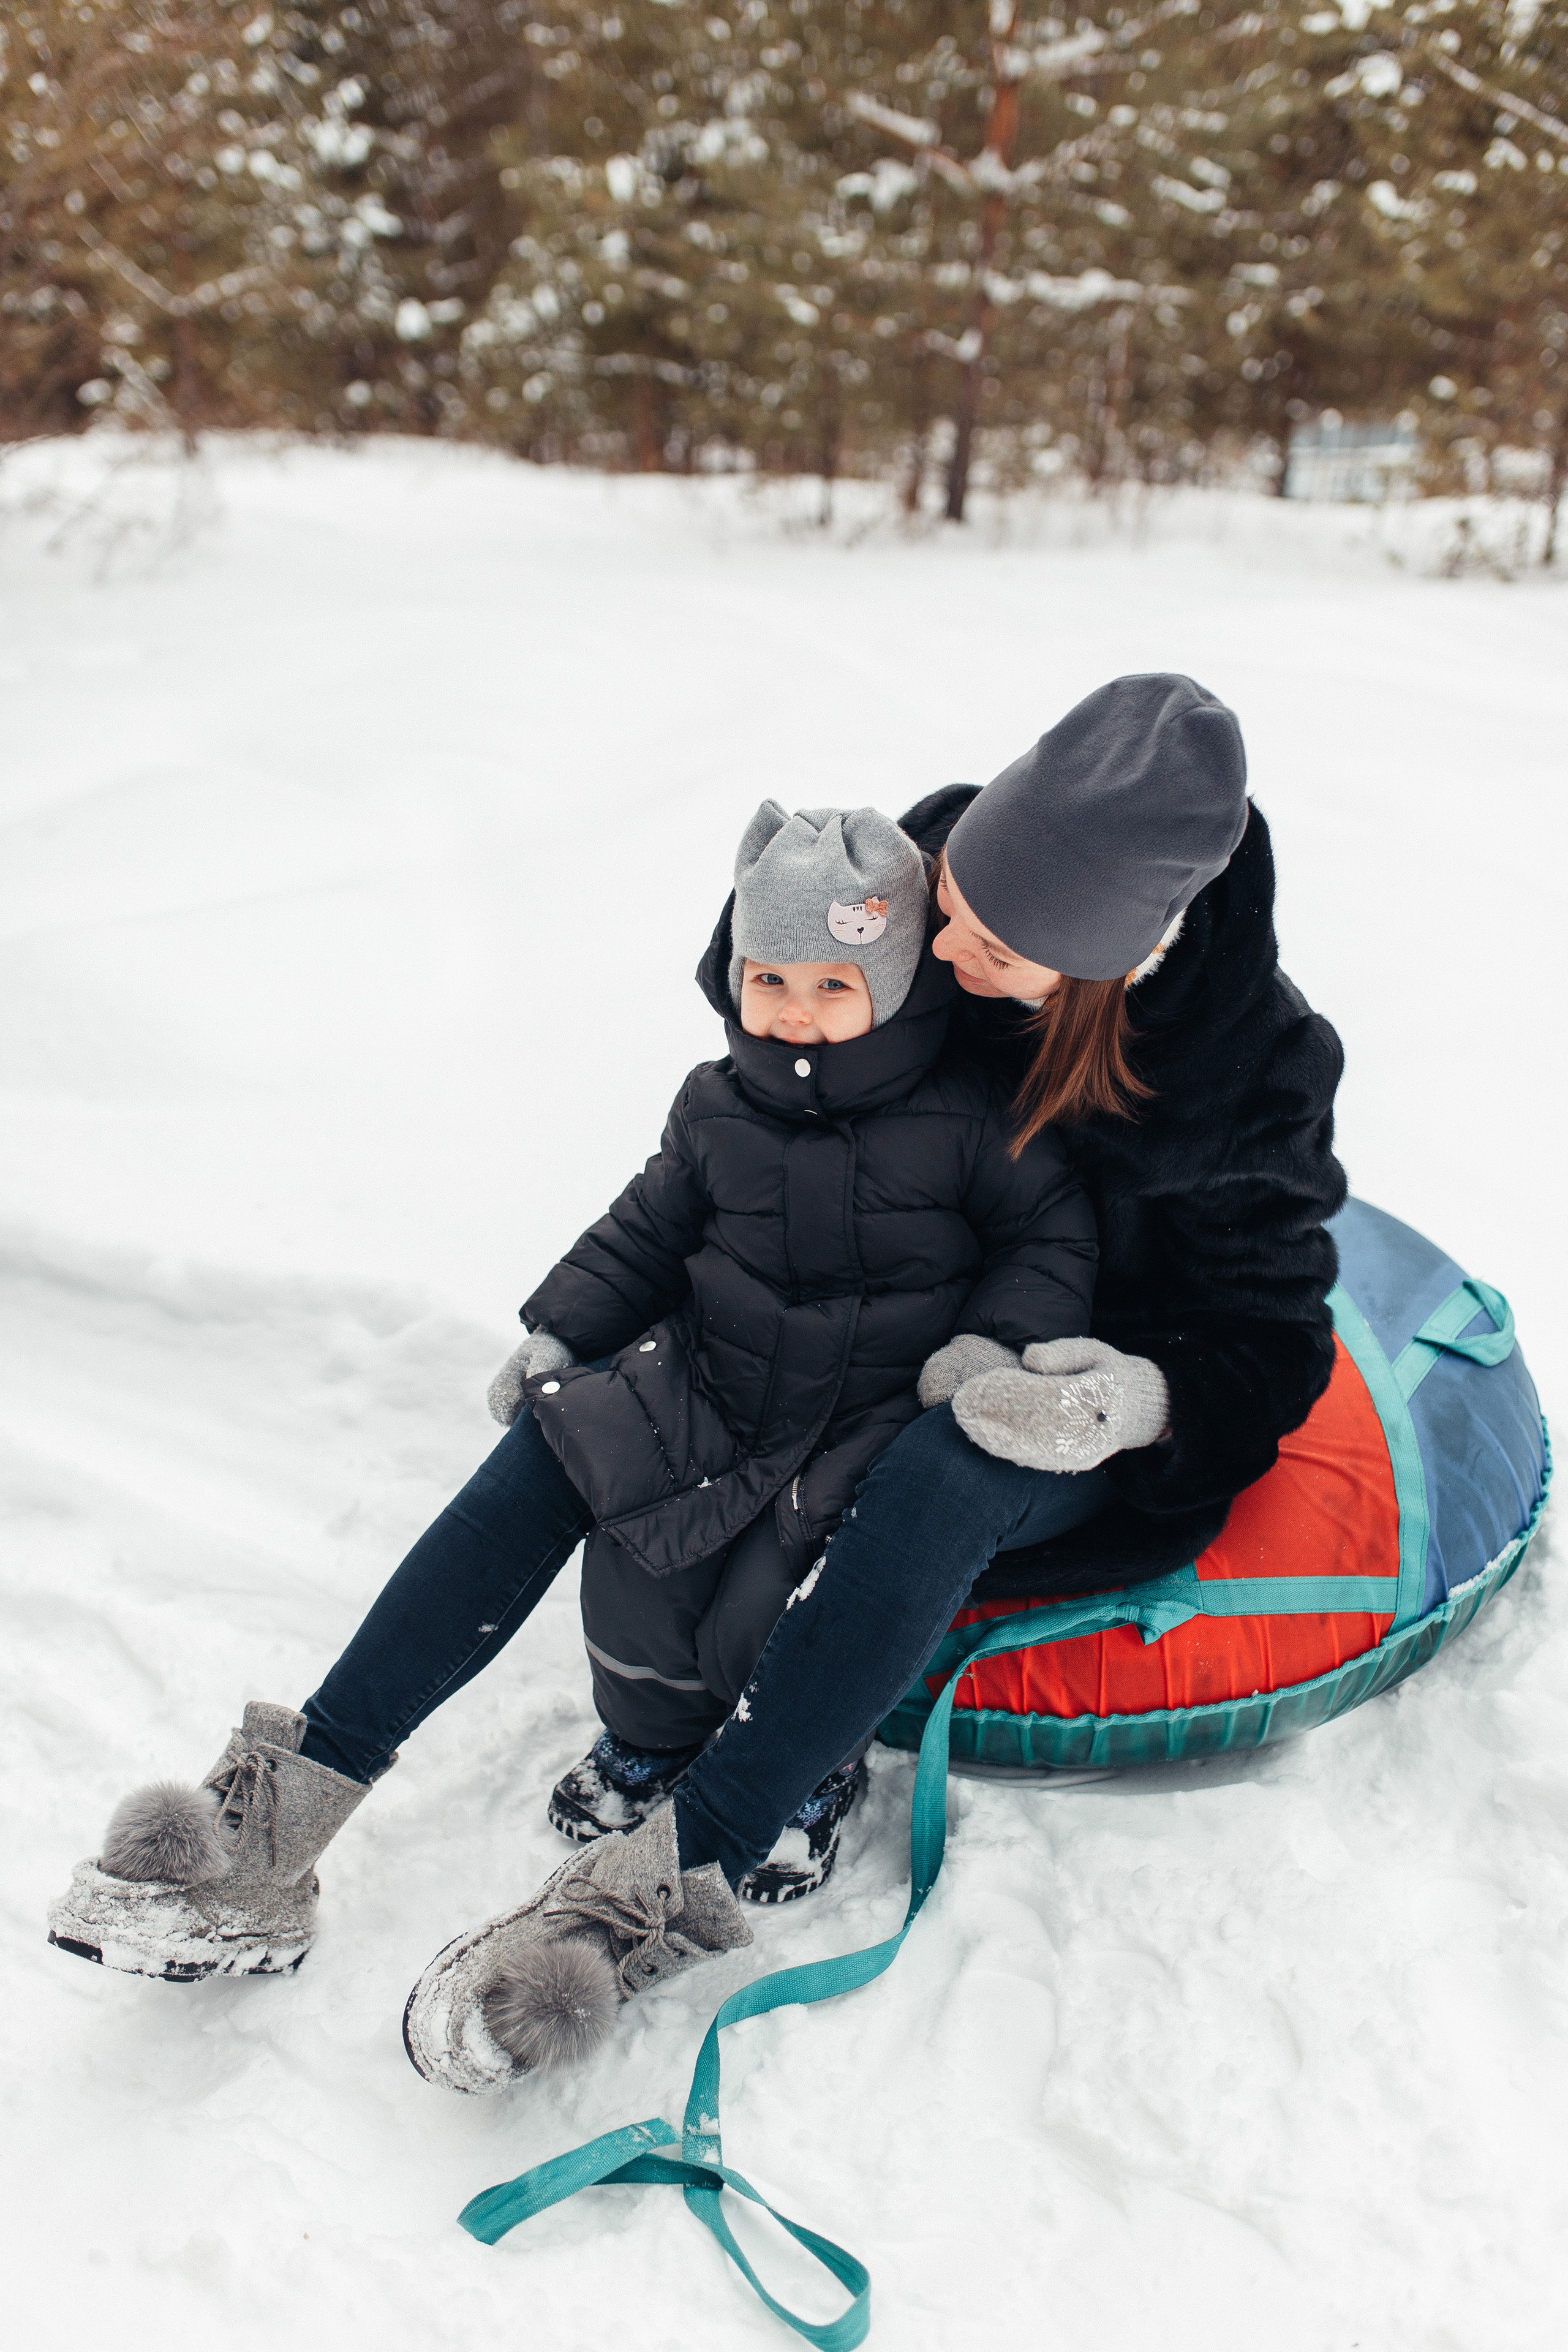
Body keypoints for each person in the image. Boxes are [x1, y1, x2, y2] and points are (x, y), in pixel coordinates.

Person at [49, 672, 1346, 2106]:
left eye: (993, 950)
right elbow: (763, 1009)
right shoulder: (934, 867)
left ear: (1113, 960)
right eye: (951, 910)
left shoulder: (1251, 1071)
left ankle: (686, 1867)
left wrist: (1128, 1399)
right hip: (849, 1317)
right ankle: (281, 1819)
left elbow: (1274, 1335)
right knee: (589, 1409)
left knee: (951, 1460)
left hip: (1034, 1386)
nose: (952, 948)